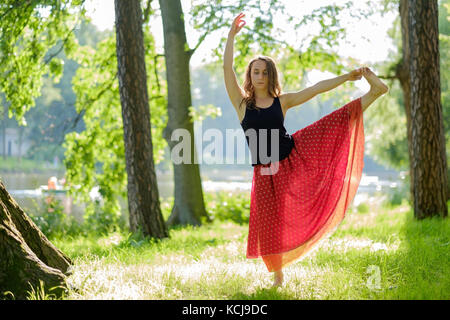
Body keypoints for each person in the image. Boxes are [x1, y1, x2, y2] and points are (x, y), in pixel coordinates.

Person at [223, 13, 388, 287]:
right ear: (250, 76)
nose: (260, 75)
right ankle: (278, 278)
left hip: (293, 155)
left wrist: (346, 77)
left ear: (271, 75)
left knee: (332, 125)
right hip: (265, 171)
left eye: (265, 72)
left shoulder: (281, 101)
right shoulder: (241, 103)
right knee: (270, 223)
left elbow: (315, 89)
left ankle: (373, 93)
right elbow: (227, 69)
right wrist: (231, 37)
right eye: (256, 71)